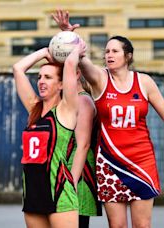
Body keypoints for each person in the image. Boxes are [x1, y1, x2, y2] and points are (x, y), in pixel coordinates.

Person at [53, 9, 164, 228]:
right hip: (110, 163)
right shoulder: (100, 79)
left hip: (142, 161)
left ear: (127, 56)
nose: (108, 55)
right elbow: (81, 61)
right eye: (106, 51)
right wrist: (69, 37)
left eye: (114, 51)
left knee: (142, 225)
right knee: (117, 226)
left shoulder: (145, 82)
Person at [13, 39, 85, 227]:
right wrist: (45, 52)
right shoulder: (34, 109)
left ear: (61, 84)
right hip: (33, 194)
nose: (42, 82)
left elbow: (70, 64)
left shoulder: (66, 110)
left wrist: (75, 47)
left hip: (59, 193)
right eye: (39, 77)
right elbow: (18, 69)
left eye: (48, 77)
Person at [67, 76, 102, 228]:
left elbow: (83, 145)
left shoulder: (83, 101)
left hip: (79, 171)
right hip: (68, 167)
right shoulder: (71, 101)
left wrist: (71, 182)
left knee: (76, 222)